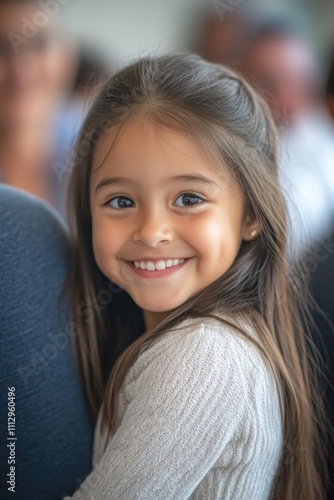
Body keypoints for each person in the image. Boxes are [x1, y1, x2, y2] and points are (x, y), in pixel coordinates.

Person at [53, 54, 326, 499]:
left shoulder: (204, 357)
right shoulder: (190, 343)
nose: (152, 232)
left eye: (188, 198)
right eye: (121, 201)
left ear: (251, 214)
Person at [239, 20, 334, 258]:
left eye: (296, 81)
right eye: (266, 82)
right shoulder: (224, 142)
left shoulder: (322, 150)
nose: (282, 97)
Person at [0, 0, 81, 218]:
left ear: (68, 56)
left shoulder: (106, 145)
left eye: (39, 44)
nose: (21, 70)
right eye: (1, 48)